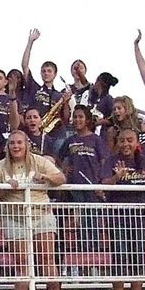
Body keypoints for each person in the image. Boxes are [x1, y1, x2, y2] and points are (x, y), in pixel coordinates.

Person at [0, 129, 66, 290]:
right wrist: (5, 188)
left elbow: (61, 178)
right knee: (22, 262)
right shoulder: (0, 167)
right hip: (15, 218)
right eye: (12, 143)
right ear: (7, 146)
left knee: (48, 259)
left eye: (19, 142)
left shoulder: (39, 161)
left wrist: (45, 177)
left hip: (41, 214)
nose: (16, 146)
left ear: (26, 145)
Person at [101, 128, 145, 290]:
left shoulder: (144, 161)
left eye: (130, 140)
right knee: (119, 259)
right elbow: (103, 185)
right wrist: (116, 177)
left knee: (138, 259)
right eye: (122, 140)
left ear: (137, 142)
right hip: (117, 217)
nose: (126, 144)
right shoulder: (111, 161)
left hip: (141, 217)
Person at [58, 106, 109, 253]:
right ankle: (82, 249)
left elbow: (104, 160)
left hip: (92, 184)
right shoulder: (70, 140)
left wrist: (101, 182)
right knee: (80, 217)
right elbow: (58, 157)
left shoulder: (96, 140)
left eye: (80, 117)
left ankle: (92, 249)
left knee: (91, 217)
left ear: (87, 120)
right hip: (75, 184)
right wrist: (64, 168)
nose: (77, 120)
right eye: (75, 117)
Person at [20, 30, 65, 156]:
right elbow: (24, 65)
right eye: (43, 71)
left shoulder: (59, 95)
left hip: (55, 135)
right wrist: (30, 42)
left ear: (55, 74)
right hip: (36, 133)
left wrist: (66, 101)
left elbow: (65, 117)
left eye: (49, 71)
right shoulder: (35, 88)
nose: (46, 73)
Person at [107, 94, 145, 167]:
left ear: (127, 109)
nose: (116, 111)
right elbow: (111, 154)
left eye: (119, 108)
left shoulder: (142, 128)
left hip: (141, 166)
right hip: (123, 167)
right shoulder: (113, 131)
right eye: (114, 109)